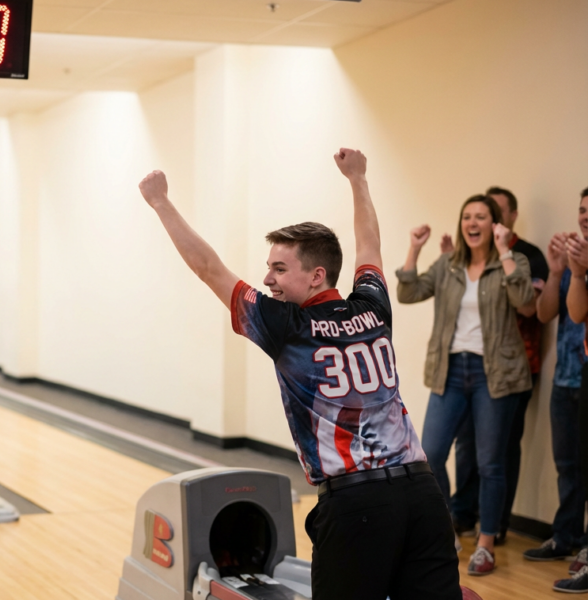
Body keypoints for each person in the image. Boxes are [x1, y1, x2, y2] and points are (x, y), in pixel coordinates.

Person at [138, 149, 461, 599]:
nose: (267, 279)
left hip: (357, 506)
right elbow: (370, 245)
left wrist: (160, 203)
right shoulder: (373, 306)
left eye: (279, 268)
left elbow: (208, 269)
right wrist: (358, 178)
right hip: (423, 495)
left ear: (316, 275)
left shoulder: (286, 325)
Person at [396, 195, 533, 576]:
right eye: (467, 217)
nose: (473, 223)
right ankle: (446, 531)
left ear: (495, 224)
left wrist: (504, 251)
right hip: (451, 371)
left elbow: (525, 302)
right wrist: (414, 248)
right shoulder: (449, 265)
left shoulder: (512, 261)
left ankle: (485, 545)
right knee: (430, 454)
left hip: (495, 373)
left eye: (481, 217)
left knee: (490, 463)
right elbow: (407, 293)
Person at [451, 187, 547, 544]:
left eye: (493, 213)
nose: (484, 222)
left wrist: (505, 255)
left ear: (510, 217)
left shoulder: (527, 255)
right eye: (474, 215)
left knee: (500, 451)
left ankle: (495, 526)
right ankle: (462, 515)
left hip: (516, 369)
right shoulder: (466, 259)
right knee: (466, 446)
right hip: (471, 369)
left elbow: (529, 307)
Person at [550, 187, 588, 593]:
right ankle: (571, 540)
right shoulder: (579, 257)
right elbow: (574, 313)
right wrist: (571, 272)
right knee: (574, 466)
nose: (585, 217)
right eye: (581, 210)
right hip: (575, 373)